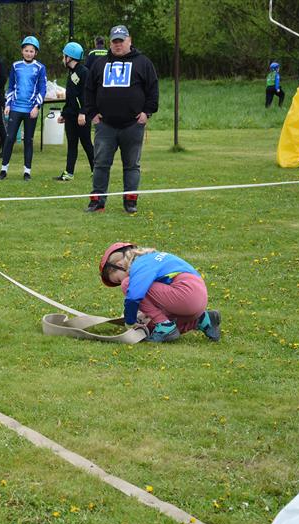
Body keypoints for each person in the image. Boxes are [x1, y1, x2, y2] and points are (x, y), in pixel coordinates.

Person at [83, 25, 158, 213]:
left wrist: (146, 113)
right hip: (105, 125)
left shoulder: (143, 63)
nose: (118, 45)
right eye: (114, 41)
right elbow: (89, 90)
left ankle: (130, 202)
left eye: (121, 41)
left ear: (129, 40)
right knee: (100, 164)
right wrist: (92, 113)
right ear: (110, 43)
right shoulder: (100, 63)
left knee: (132, 165)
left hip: (132, 125)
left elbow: (153, 89)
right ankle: (97, 201)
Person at [99, 242, 221, 343]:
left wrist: (130, 321)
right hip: (197, 296)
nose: (121, 281)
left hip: (185, 294)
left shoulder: (140, 264)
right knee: (150, 327)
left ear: (119, 265)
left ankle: (165, 326)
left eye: (117, 279)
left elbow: (134, 297)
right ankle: (202, 320)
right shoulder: (152, 258)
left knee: (128, 285)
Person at [0, 36, 47, 182]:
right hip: (16, 107)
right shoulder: (15, 66)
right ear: (22, 51)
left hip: (31, 109)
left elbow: (43, 89)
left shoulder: (40, 68)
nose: (29, 53)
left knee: (28, 140)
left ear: (35, 53)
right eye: (26, 50)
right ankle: (3, 170)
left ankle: (27, 172)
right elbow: (10, 87)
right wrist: (8, 104)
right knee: (10, 138)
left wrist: (37, 106)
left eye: (32, 51)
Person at [54, 42, 93, 182]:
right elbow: (71, 97)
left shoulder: (84, 72)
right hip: (71, 116)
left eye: (64, 55)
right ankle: (68, 173)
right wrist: (64, 114)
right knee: (72, 144)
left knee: (87, 143)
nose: (62, 58)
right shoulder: (71, 72)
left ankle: (96, 171)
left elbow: (85, 96)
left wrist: (83, 113)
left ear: (69, 57)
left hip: (81, 116)